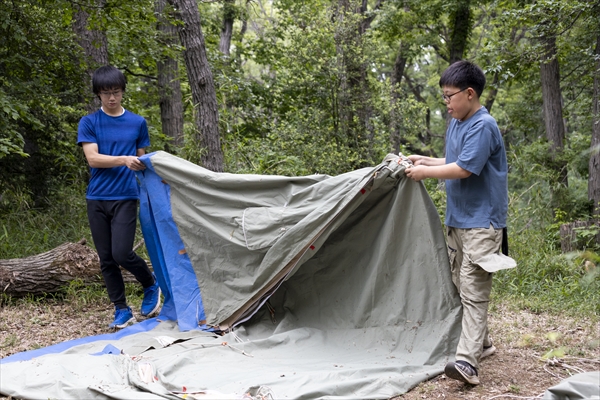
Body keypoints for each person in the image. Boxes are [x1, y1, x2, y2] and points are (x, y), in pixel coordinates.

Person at [404, 60, 508, 385]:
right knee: (462, 286)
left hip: (482, 223)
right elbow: (453, 161)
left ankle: (467, 363)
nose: (446, 103)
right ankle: (484, 343)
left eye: (450, 97)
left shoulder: (483, 125)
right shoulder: (457, 122)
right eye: (444, 97)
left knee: (474, 287)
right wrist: (424, 160)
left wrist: (423, 173)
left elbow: (464, 170)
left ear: (470, 93)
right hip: (458, 220)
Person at [77, 65, 161, 329]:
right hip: (97, 197)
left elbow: (141, 160)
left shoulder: (137, 122)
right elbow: (92, 159)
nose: (111, 98)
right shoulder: (89, 122)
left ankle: (150, 283)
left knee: (122, 252)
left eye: (115, 92)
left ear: (123, 91)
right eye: (105, 93)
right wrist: (123, 159)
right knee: (106, 258)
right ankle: (121, 310)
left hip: (125, 195)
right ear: (98, 95)